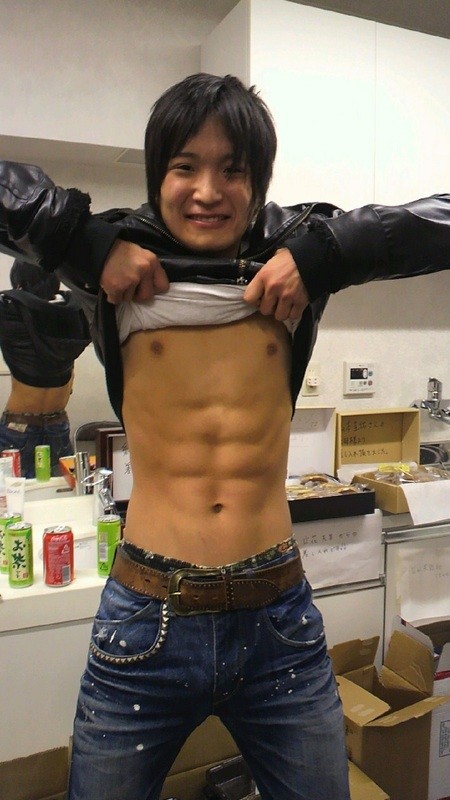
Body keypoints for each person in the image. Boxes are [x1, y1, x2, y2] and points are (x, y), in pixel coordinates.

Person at [0, 73, 449, 799]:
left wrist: (327, 252)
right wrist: (77, 236)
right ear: (158, 176)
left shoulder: (296, 255)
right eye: (185, 166)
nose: (207, 191)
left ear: (258, 182)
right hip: (146, 618)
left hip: (279, 623)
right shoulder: (112, 261)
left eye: (232, 170)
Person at [0, 260, 91, 477]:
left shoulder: (10, 314)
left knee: (12, 495)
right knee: (59, 493)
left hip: (19, 425)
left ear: (19, 284)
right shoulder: (72, 313)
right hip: (57, 423)